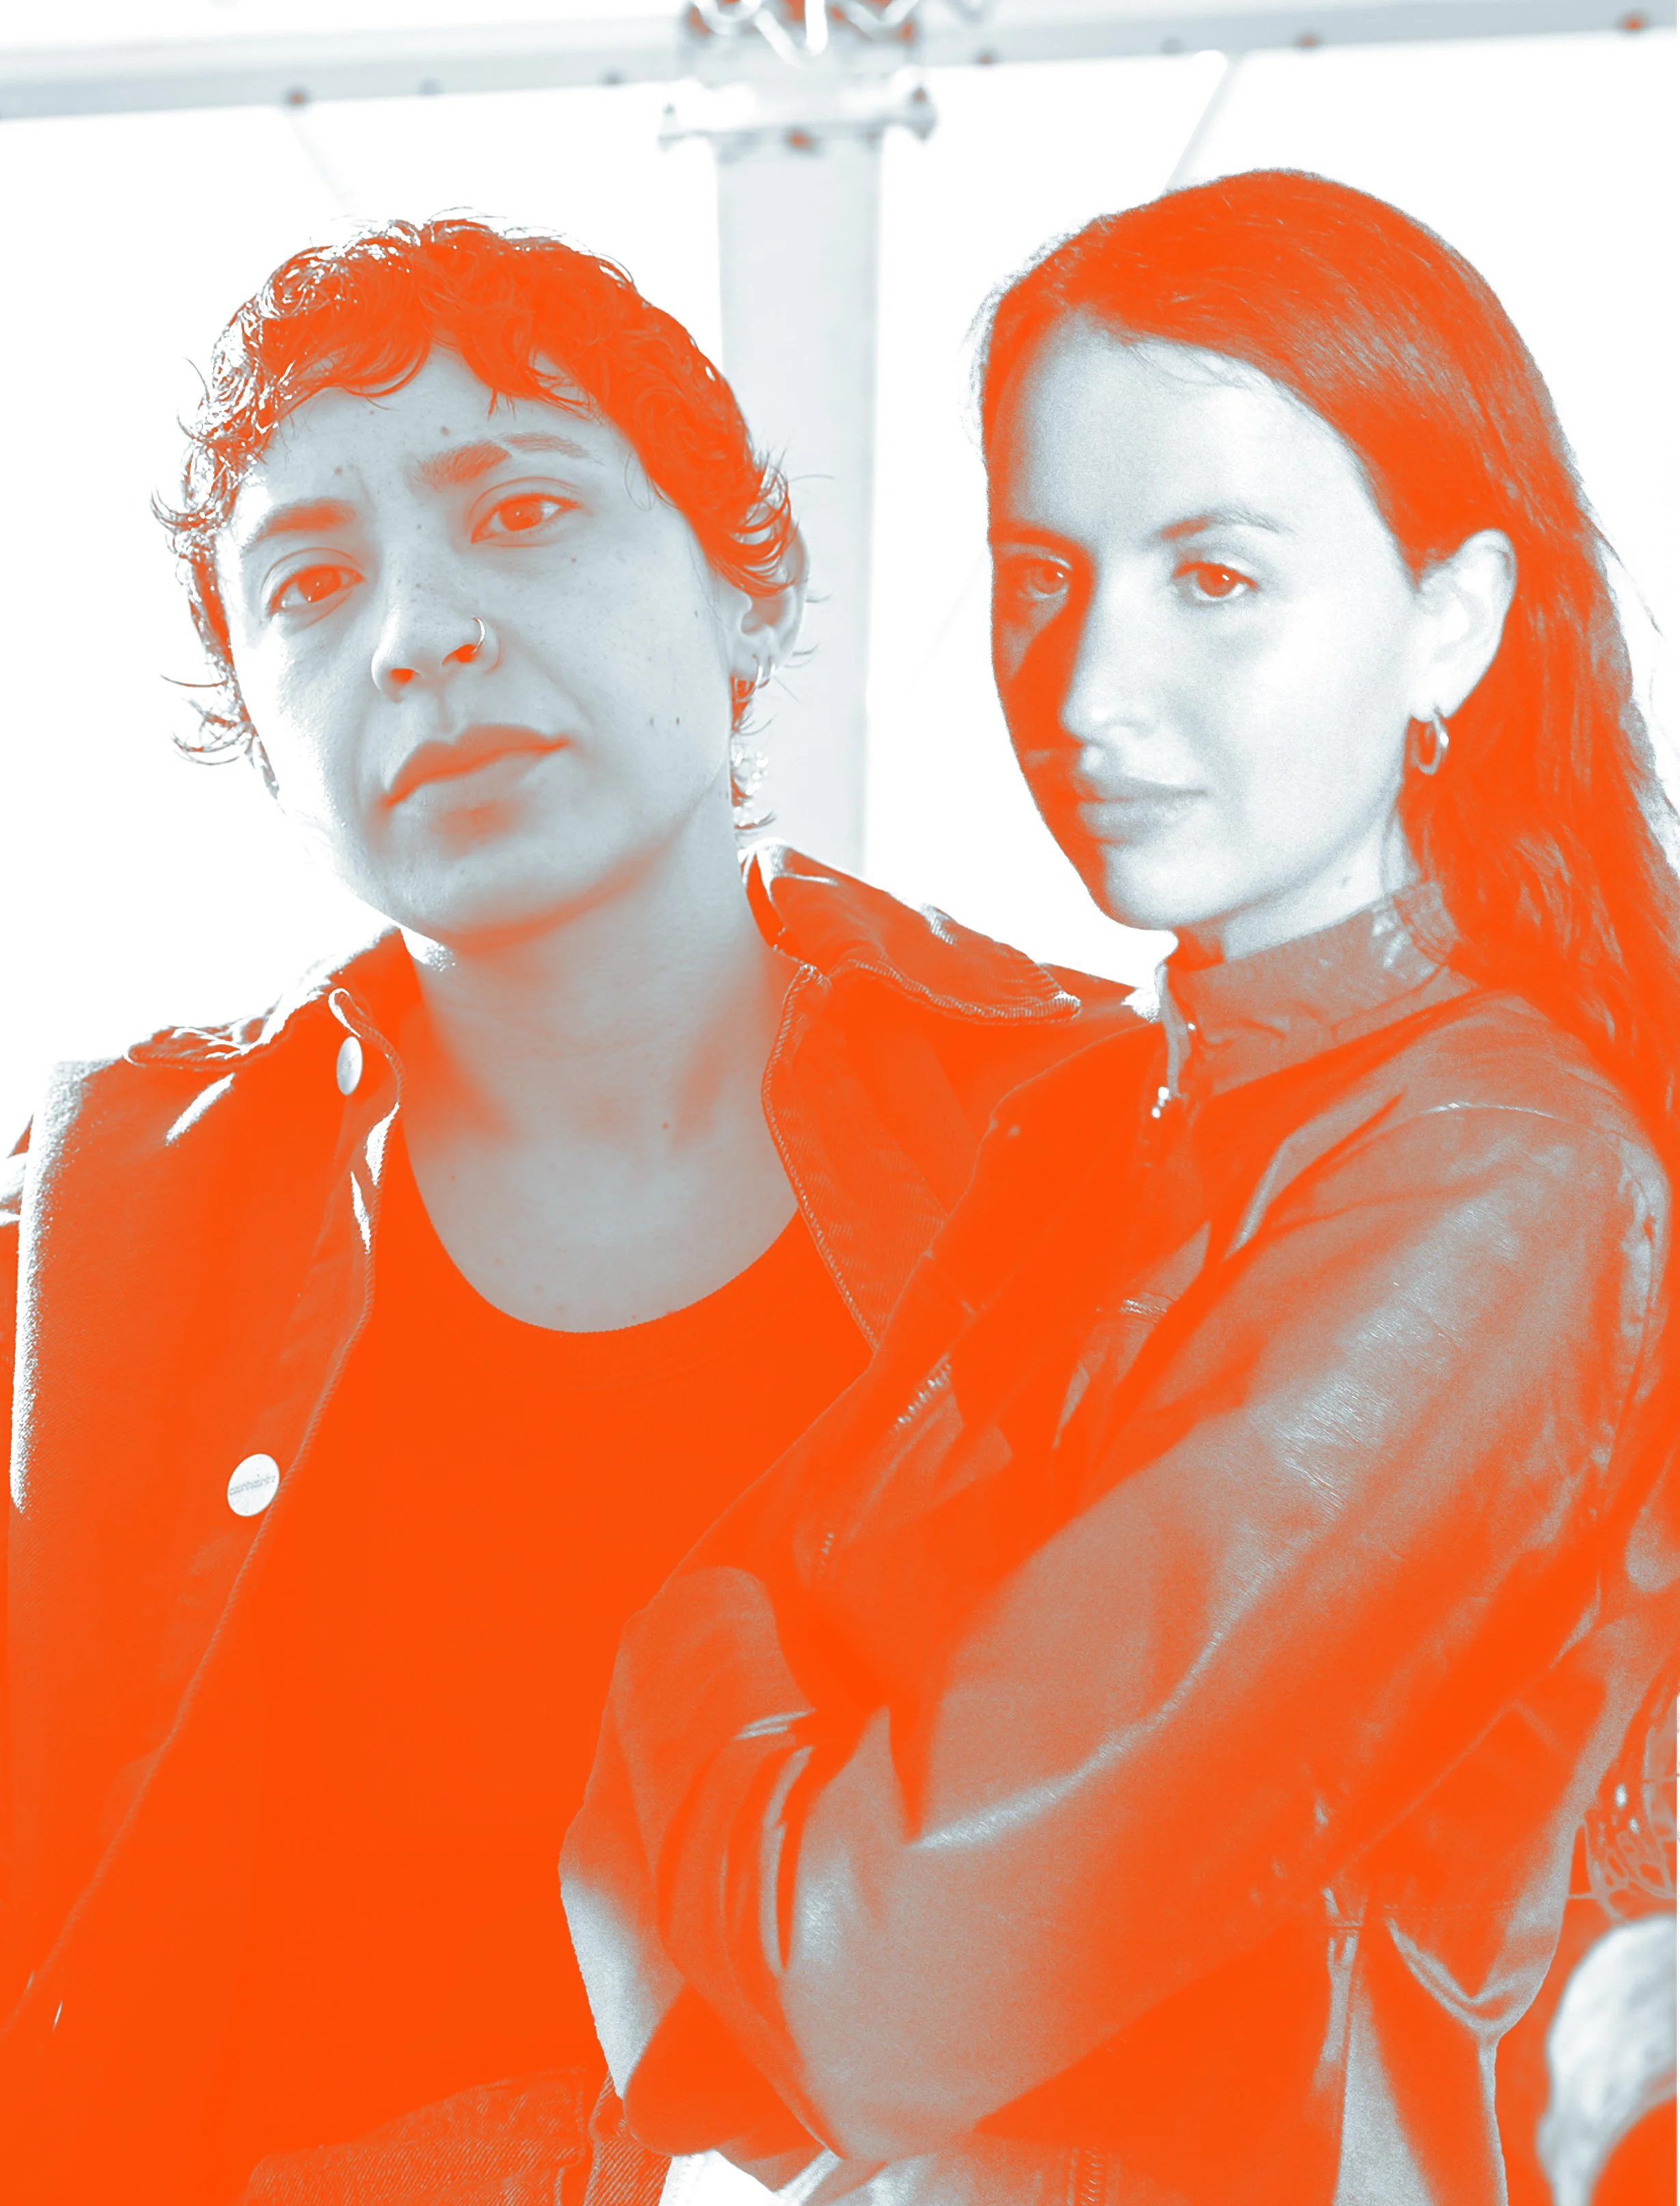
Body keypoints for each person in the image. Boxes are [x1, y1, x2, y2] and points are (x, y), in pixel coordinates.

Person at [563, 170, 1680, 2203]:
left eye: (1216, 577)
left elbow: (876, 1971)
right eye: (1038, 576)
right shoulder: (1094, 1126)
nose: (1085, 695)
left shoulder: (1493, 1184)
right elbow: (703, 1928)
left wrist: (671, 1658)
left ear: (1453, 618)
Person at [0, 217, 1132, 2205]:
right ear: (255, 718)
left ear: (750, 597)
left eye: (523, 511)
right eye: (309, 583)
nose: (415, 633)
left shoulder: (1122, 1146)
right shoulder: (98, 1238)